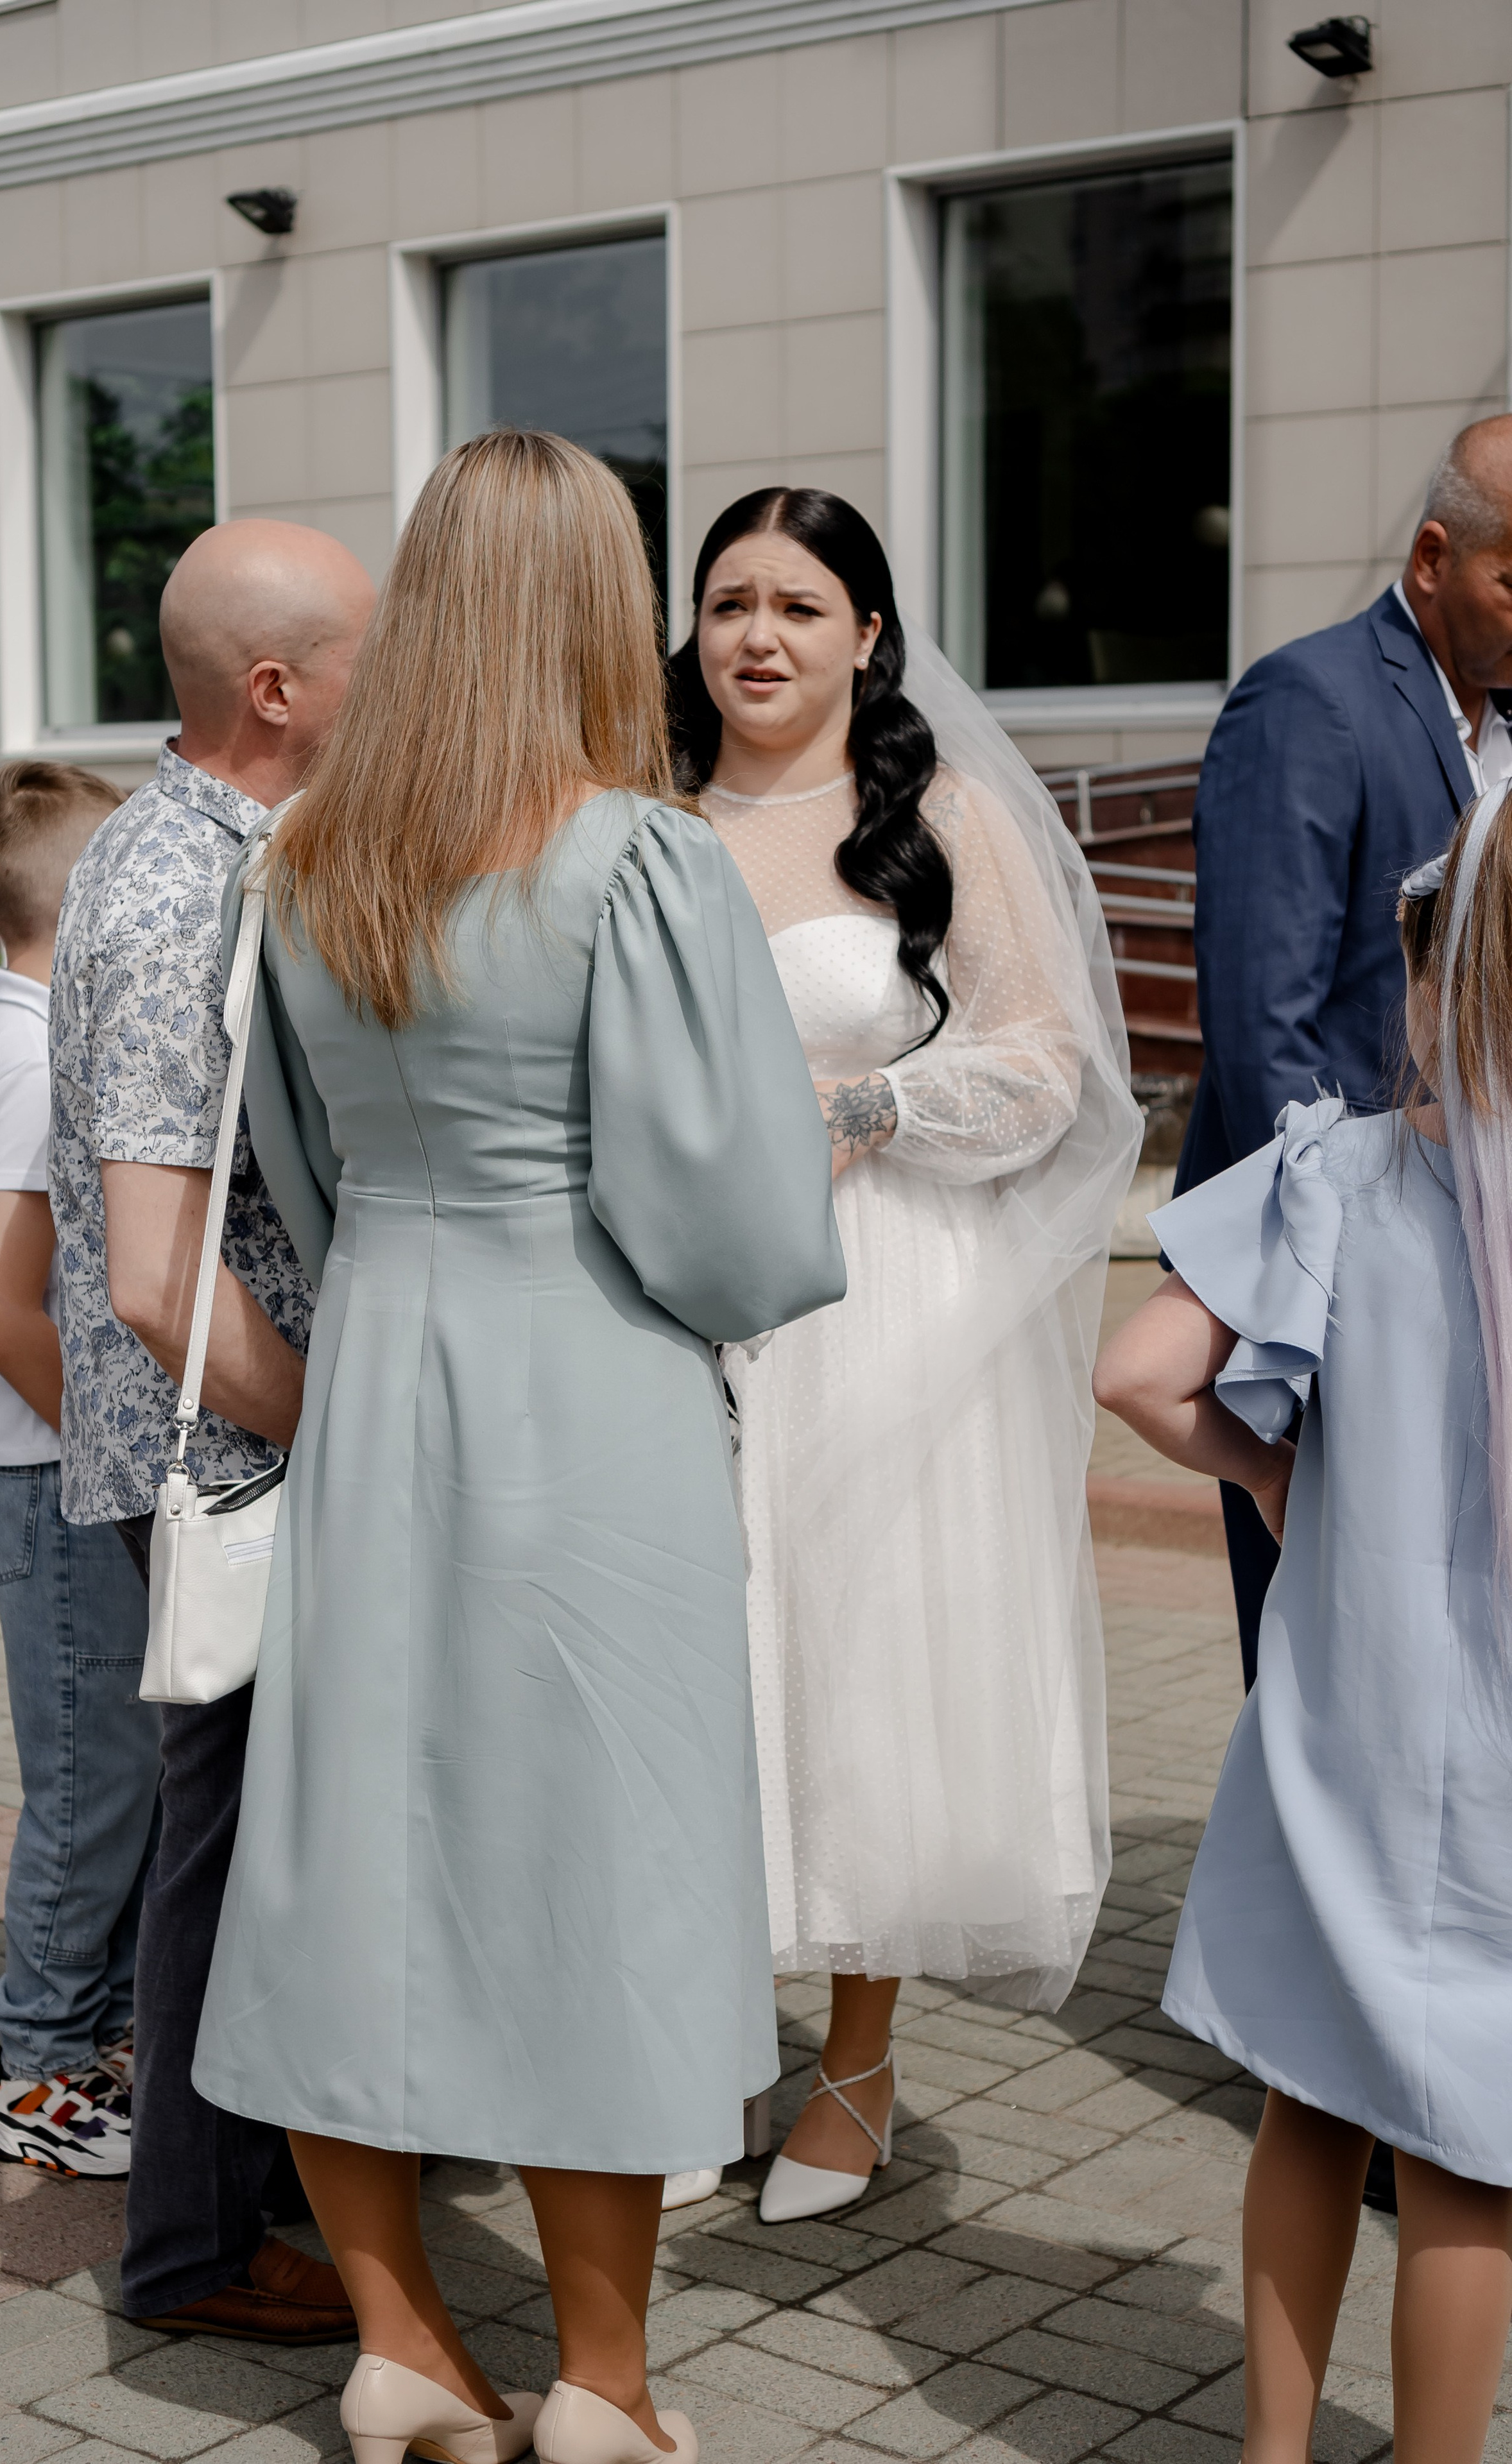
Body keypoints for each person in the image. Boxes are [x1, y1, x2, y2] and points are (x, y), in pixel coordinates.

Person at [189, 429, 846, 2464]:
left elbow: (293, 1170)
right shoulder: (641, 860)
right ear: (597, 605)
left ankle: (401, 2341)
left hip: (380, 1377)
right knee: (603, 1868)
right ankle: (604, 2386)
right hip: (589, 1389)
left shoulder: (306, 862)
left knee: (347, 1858)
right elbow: (728, 1225)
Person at [663, 489, 1141, 2223]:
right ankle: (701, 2045)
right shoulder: (645, 819)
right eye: (729, 601)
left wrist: (866, 1105)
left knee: (856, 1660)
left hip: (882, 1298)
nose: (757, 635)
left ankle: (854, 2063)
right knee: (701, 1671)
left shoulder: (936, 817)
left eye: (799, 604)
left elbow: (1047, 1069)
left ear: (868, 634)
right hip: (680, 1297)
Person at [1093, 785, 1512, 2464]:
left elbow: (1135, 1375)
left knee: (1310, 2095)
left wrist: (1272, 1477)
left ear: (1427, 974)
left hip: (1349, 1713)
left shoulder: (1335, 1174)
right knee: (1472, 2158)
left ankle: (1270, 2451)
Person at [49, 518, 374, 2338]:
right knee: (229, 1856)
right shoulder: (183, 885)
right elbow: (161, 1271)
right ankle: (189, 2246)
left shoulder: (200, 845)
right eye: (366, 658)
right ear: (275, 690)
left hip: (217, 1438)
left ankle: (244, 2197)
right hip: (229, 1448)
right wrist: (347, 1432)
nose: (392, 687)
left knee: (242, 1841)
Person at [1178, 415, 1512, 1692]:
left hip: (1476, 1263)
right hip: (1342, 1267)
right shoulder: (1309, 701)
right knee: (1324, 1648)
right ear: (1432, 557)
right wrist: (1317, 1292)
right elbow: (1261, 1021)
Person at [0, 759, 161, 2175]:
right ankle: (38, 2070)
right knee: (91, 1777)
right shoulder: (31, 1063)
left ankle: (92, 2036)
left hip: (43, 1461)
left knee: (117, 1768)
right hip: (48, 1466)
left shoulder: (21, 1040)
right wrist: (107, 1441)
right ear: (83, 907)